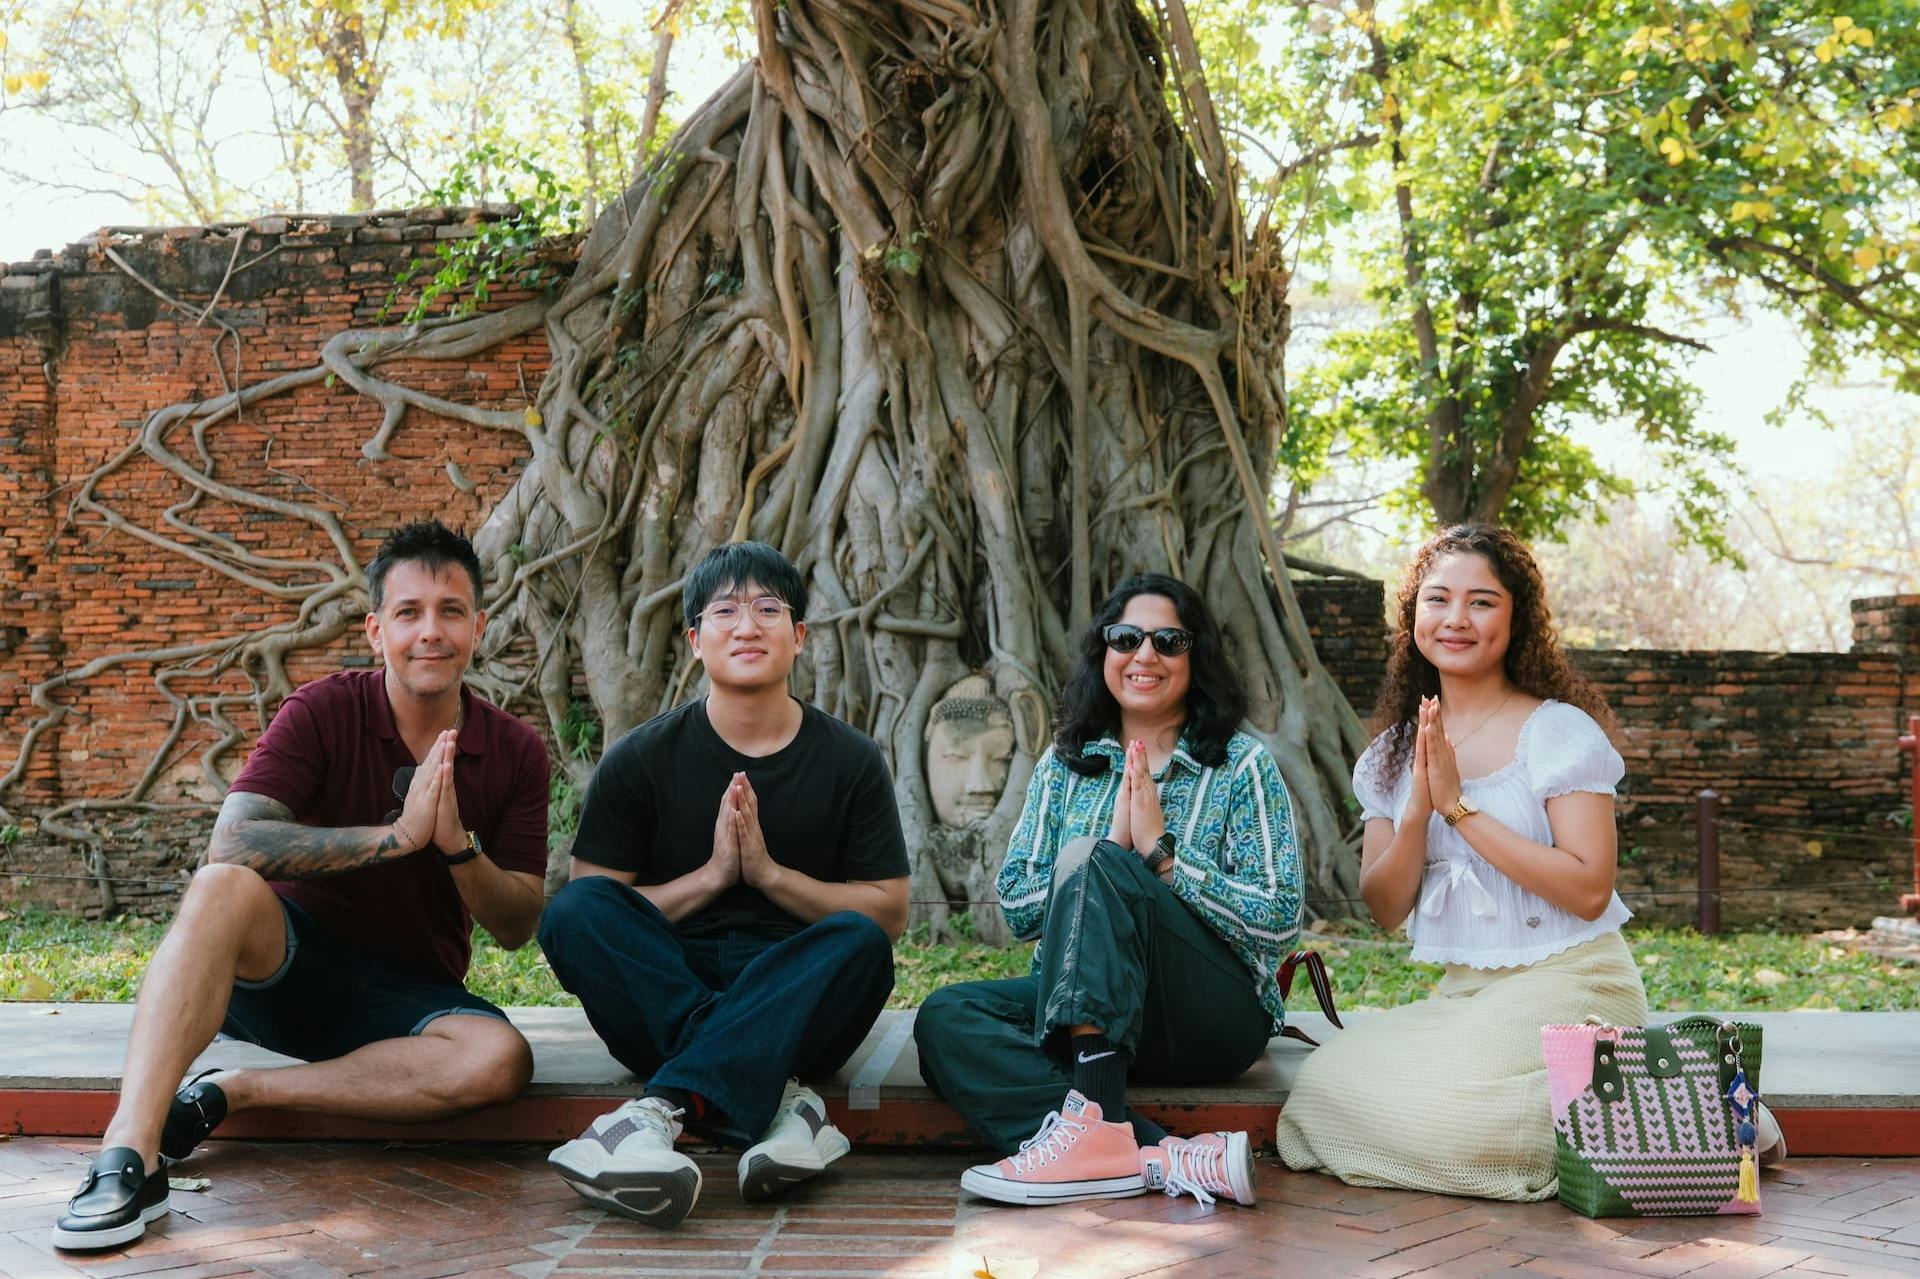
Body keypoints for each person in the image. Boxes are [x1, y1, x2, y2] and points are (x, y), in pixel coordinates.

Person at [52, 521, 550, 1251]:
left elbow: (518, 922)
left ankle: (238, 1089)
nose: (430, 631)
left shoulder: (514, 749)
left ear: (479, 626)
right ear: (376, 629)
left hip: (407, 997)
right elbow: (233, 840)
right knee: (221, 885)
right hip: (286, 969)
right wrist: (394, 839)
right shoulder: (323, 709)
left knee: (500, 1057)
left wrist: (455, 848)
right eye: (409, 612)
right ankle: (128, 1153)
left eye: (450, 611)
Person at [537, 541, 908, 1229]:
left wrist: (771, 876)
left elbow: (888, 911)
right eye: (726, 610)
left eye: (769, 608)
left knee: (859, 940)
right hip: (665, 986)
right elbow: (601, 905)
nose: (747, 625)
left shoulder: (849, 761)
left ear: (797, 637)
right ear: (693, 640)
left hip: (794, 990)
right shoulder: (639, 760)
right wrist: (711, 877)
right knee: (573, 909)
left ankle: (655, 1116)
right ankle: (785, 1106)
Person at [1274, 523, 1648, 1201]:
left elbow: (1590, 889)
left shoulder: (1556, 731)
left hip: (1574, 982)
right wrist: (1418, 805)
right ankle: (1613, 1105)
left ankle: (1652, 1106)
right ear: (1413, 614)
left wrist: (1460, 809)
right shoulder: (1389, 754)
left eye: (1481, 601)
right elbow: (1387, 907)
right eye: (1437, 599)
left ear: (1517, 617)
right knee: (1324, 1084)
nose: (1455, 619)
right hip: (1467, 994)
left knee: (1457, 1121)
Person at [914, 574, 1302, 1209]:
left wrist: (1162, 858)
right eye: (1127, 638)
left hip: (1203, 1017)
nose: (1145, 655)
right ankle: (1154, 1153)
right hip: (1083, 1007)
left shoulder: (1240, 765)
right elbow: (1016, 907)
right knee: (948, 1018)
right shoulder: (1065, 765)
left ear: (1195, 657)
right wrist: (1109, 849)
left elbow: (1281, 921)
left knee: (1097, 859)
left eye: (1169, 641)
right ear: (1104, 653)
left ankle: (1097, 1137)